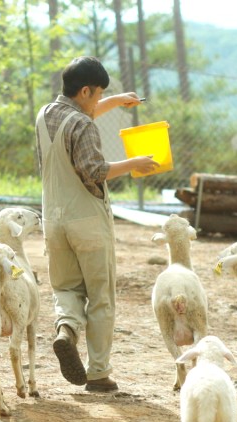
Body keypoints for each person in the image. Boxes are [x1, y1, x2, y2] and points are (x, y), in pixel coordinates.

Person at [34, 56, 159, 392]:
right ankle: (98, 374)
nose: (98, 100)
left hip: (54, 220)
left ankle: (66, 331)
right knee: (101, 296)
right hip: (87, 218)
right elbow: (96, 170)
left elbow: (78, 117)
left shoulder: (45, 115)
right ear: (85, 90)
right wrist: (135, 163)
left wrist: (117, 100)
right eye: (98, 94)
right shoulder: (84, 125)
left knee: (66, 288)